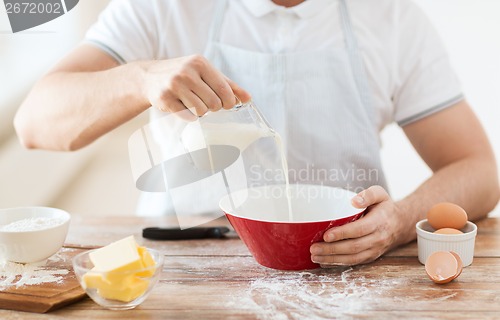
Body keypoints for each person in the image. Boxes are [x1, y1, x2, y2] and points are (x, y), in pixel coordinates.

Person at [14, 0, 499, 266]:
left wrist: (397, 223)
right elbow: (35, 122)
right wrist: (139, 79)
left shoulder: (392, 19)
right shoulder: (161, 7)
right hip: (179, 264)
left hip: (345, 268)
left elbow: (479, 171)